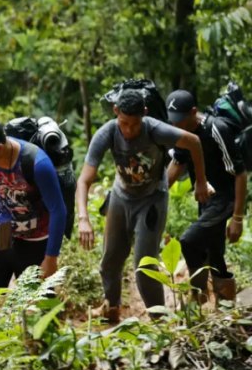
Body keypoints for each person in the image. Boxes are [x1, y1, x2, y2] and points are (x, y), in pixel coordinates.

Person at [76, 89, 211, 322]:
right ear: (116, 112)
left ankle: (159, 320)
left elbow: (194, 142)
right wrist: (83, 218)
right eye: (124, 123)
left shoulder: (155, 129)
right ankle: (111, 308)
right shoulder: (107, 133)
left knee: (144, 265)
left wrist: (200, 181)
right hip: (121, 195)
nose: (129, 130)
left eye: (135, 124)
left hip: (152, 199)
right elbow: (84, 179)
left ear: (144, 115)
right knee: (110, 259)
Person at [0, 116, 67, 287]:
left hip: (36, 239)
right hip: (4, 229)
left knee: (37, 302)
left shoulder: (37, 163)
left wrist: (51, 258)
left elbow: (58, 210)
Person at [165, 89, 247, 303]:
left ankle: (197, 296)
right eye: (173, 120)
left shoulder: (216, 130)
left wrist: (237, 218)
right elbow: (177, 163)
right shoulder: (182, 134)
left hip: (225, 198)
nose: (176, 125)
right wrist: (156, 193)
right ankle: (226, 305)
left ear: (193, 112)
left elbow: (240, 174)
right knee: (214, 252)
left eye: (180, 120)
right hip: (206, 200)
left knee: (189, 240)